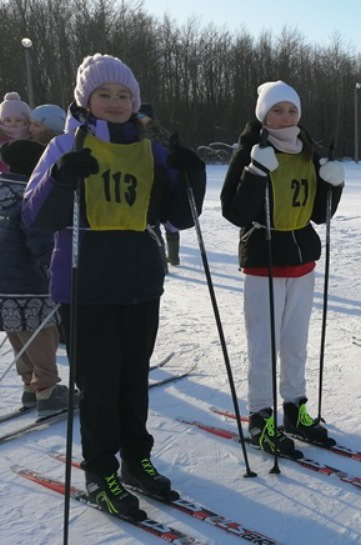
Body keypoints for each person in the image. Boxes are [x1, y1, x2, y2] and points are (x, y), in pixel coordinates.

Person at [23, 53, 206, 518]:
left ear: (135, 101)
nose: (115, 101)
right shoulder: (66, 145)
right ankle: (99, 471)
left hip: (140, 280)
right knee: (99, 385)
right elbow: (34, 216)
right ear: (86, 100)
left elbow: (181, 217)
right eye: (104, 94)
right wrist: (62, 180)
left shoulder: (150, 149)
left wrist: (192, 175)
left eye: (123, 94)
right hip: (86, 281)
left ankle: (135, 460)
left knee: (133, 381)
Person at [220, 80, 345, 457]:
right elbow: (234, 211)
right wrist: (256, 173)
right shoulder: (250, 151)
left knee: (295, 343)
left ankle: (295, 409)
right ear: (263, 114)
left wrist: (333, 187)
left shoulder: (310, 151)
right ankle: (261, 416)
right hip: (264, 257)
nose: (285, 116)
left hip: (301, 258)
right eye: (277, 110)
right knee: (264, 344)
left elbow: (320, 214)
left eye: (291, 110)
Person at [0, 139, 74, 418]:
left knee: (16, 330)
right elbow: (40, 237)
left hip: (3, 281)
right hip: (28, 279)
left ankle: (30, 385)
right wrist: (57, 267)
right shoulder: (30, 195)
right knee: (41, 331)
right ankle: (47, 390)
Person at [138, 102, 180, 267]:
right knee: (168, 221)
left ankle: (163, 262)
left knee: (154, 221)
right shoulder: (163, 131)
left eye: (142, 115)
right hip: (166, 179)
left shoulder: (145, 133)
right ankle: (172, 256)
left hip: (155, 179)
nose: (139, 118)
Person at [0, 92, 33, 172]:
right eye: (8, 120)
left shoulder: (31, 136)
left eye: (18, 120)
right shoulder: (1, 138)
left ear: (26, 121)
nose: (13, 123)